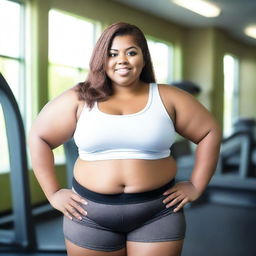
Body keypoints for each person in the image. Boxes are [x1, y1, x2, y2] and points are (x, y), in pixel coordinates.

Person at [29, 22, 222, 256]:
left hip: (157, 214)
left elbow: (209, 131)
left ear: (143, 57)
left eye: (131, 52)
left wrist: (196, 186)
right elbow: (39, 136)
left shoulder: (167, 97)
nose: (122, 60)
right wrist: (53, 193)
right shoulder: (80, 98)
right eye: (112, 54)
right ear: (101, 58)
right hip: (89, 216)